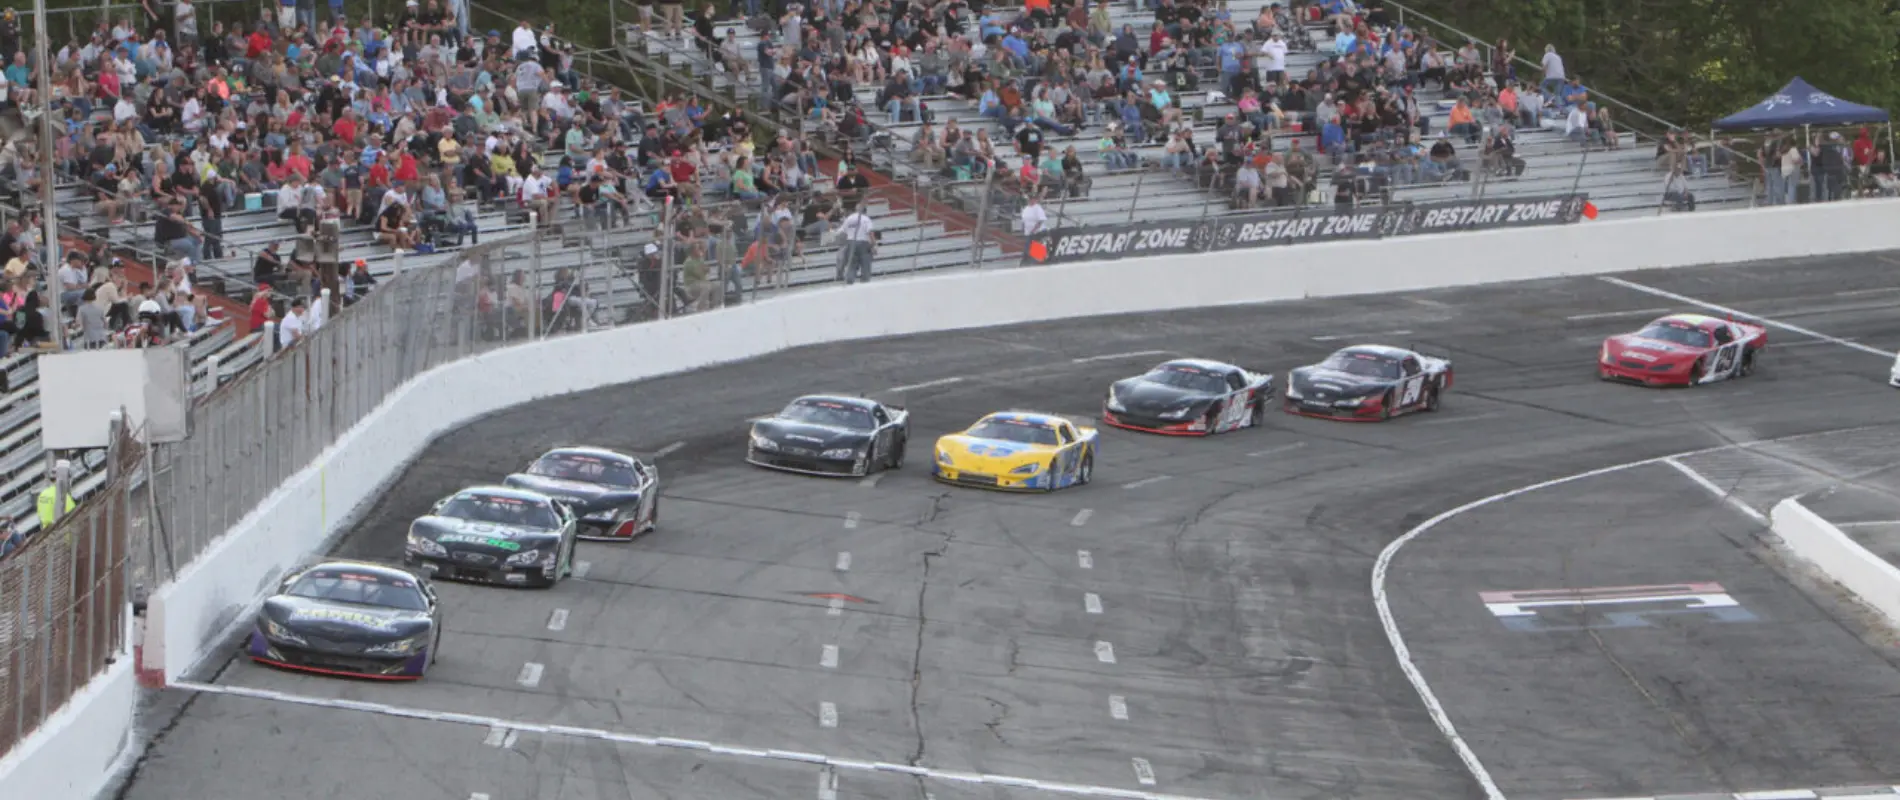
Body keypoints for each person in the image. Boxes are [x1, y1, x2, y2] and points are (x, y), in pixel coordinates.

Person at [836, 204, 876, 285]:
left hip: (851, 242)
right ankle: (865, 281)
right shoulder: (866, 219)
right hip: (863, 243)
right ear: (865, 211)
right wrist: (874, 244)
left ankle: (850, 282)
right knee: (865, 264)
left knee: (852, 264)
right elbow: (870, 232)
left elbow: (842, 231)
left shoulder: (849, 218)